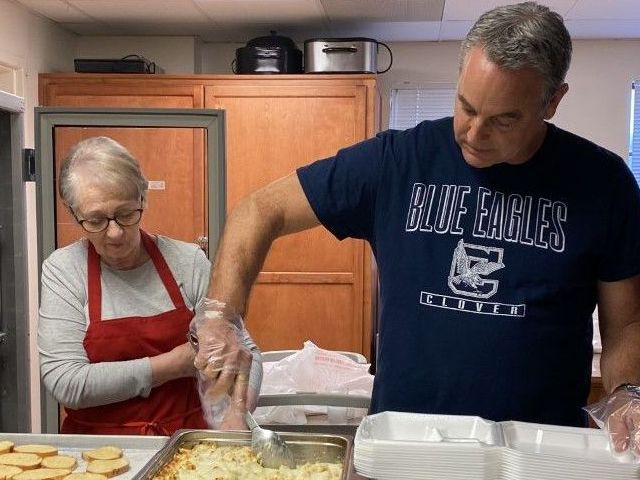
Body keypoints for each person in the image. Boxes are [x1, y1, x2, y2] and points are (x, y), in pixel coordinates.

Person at [192, 0, 640, 456]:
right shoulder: (397, 162)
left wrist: (628, 393)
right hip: (404, 447)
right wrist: (219, 316)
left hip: (535, 454)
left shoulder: (603, 185)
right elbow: (259, 209)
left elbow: (626, 326)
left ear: (552, 102)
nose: (474, 133)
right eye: (466, 106)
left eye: (504, 119)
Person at [38, 136, 262, 435]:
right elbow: (67, 383)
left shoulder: (188, 262)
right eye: (95, 220)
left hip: (188, 443)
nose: (115, 233)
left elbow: (245, 350)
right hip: (96, 452)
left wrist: (239, 410)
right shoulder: (64, 270)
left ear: (143, 198)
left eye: (127, 213)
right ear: (72, 213)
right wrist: (172, 365)